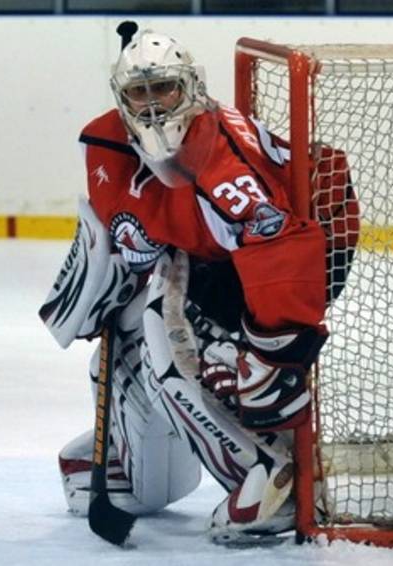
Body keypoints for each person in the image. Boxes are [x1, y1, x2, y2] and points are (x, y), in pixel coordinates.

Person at [40, 26, 334, 545]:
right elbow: (125, 230)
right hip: (209, 264)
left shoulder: (224, 170)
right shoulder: (109, 143)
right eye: (139, 92)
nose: (152, 105)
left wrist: (272, 354)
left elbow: (285, 248)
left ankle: (268, 474)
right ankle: (132, 462)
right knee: (121, 354)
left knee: (168, 341)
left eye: (164, 88)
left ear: (191, 85)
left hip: (278, 271)